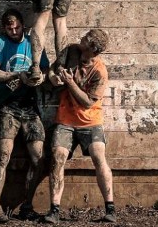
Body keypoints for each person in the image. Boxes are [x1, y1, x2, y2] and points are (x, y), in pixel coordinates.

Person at [42, 29, 116, 224]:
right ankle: (54, 210)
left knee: (99, 156)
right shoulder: (71, 51)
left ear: (93, 48)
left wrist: (69, 82)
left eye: (85, 39)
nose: (81, 39)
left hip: (90, 121)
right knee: (58, 157)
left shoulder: (99, 71)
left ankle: (110, 208)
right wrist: (53, 77)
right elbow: (52, 69)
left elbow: (87, 103)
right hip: (65, 120)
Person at [0, 8, 50, 222]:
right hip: (8, 108)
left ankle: (27, 207)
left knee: (38, 158)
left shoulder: (33, 42)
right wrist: (16, 75)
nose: (14, 31)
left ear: (23, 25)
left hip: (31, 108)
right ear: (5, 28)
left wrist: (38, 78)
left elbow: (46, 71)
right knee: (3, 157)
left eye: (17, 27)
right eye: (10, 28)